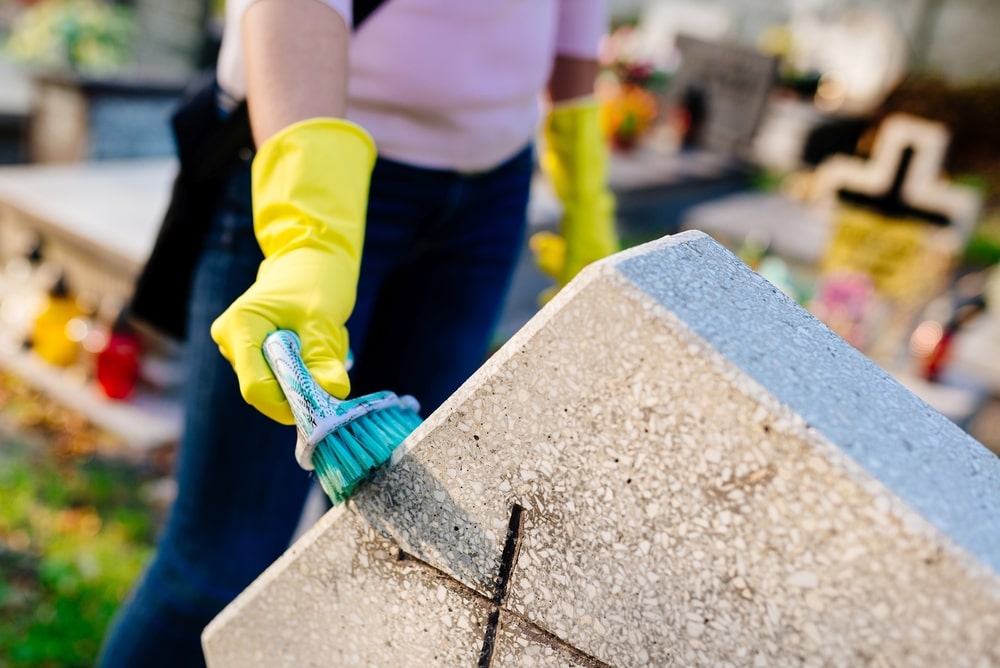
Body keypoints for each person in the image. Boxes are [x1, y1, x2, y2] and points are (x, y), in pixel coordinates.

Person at [98, 0, 618, 665]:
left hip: (491, 193)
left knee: (397, 551)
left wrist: (583, 184)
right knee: (216, 571)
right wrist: (308, 234)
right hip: (313, 153)